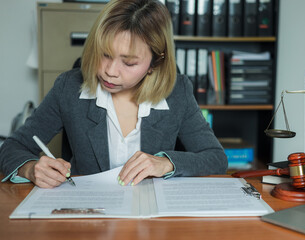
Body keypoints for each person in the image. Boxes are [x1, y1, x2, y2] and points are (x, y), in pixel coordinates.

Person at [0, 0, 227, 188]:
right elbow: (12, 147)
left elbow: (216, 158)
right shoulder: (68, 87)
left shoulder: (178, 92)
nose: (109, 71)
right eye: (104, 54)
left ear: (155, 63)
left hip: (151, 218)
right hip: (88, 214)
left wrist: (166, 163)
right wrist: (30, 168)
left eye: (128, 63)